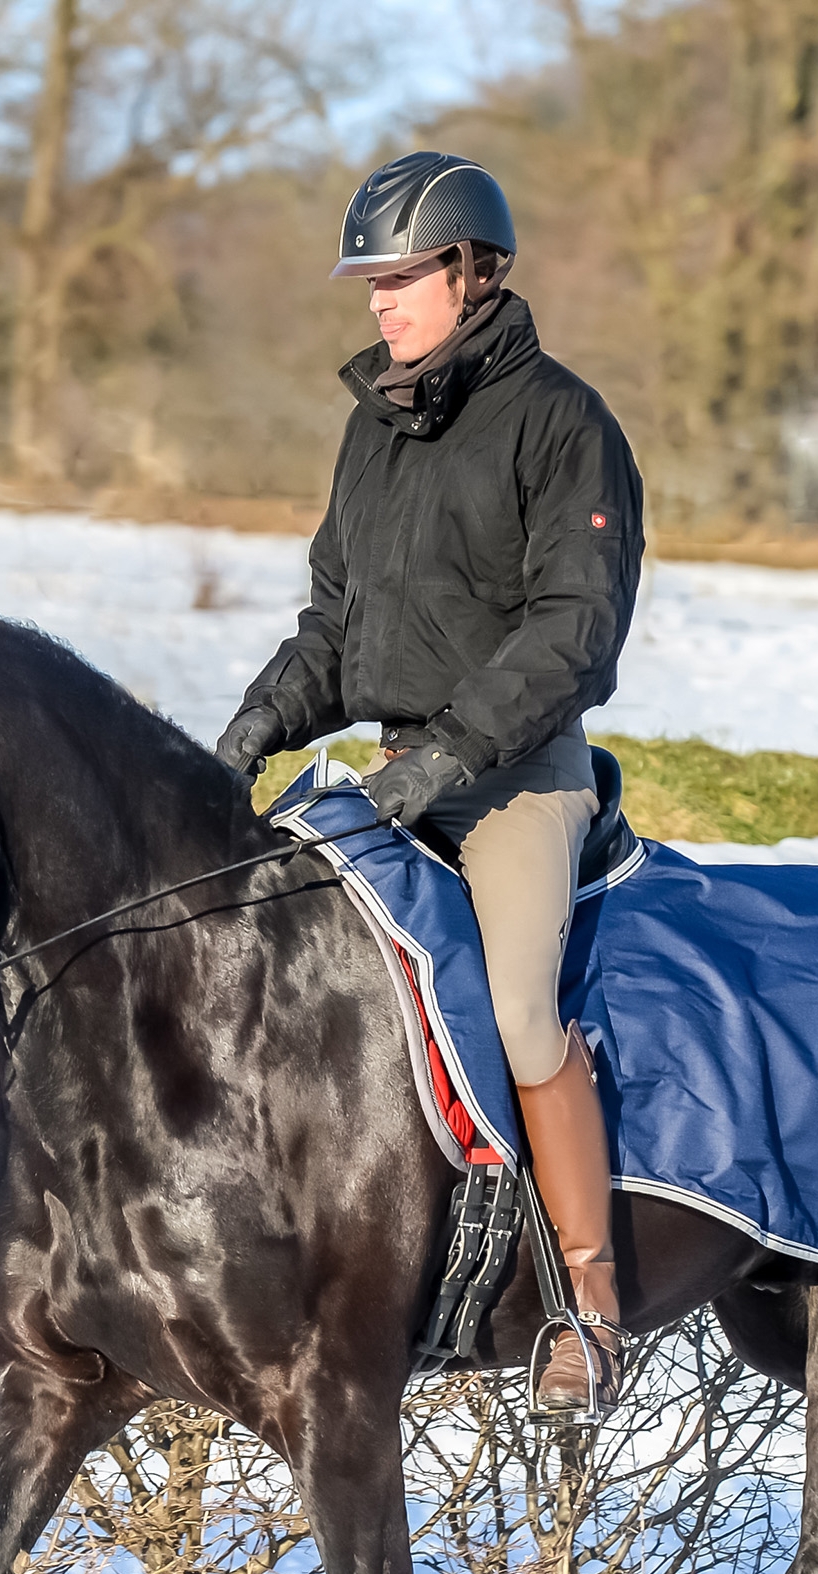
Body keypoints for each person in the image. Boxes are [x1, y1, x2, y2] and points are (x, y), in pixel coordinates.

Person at [216, 152, 645, 1414]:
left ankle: (588, 1304)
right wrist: (252, 728)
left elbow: (577, 630)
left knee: (517, 1013)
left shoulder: (566, 425)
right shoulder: (371, 430)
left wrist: (456, 753)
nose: (377, 301)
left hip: (518, 779)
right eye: (369, 279)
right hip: (401, 767)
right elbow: (334, 630)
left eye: (399, 276)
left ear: (471, 271)